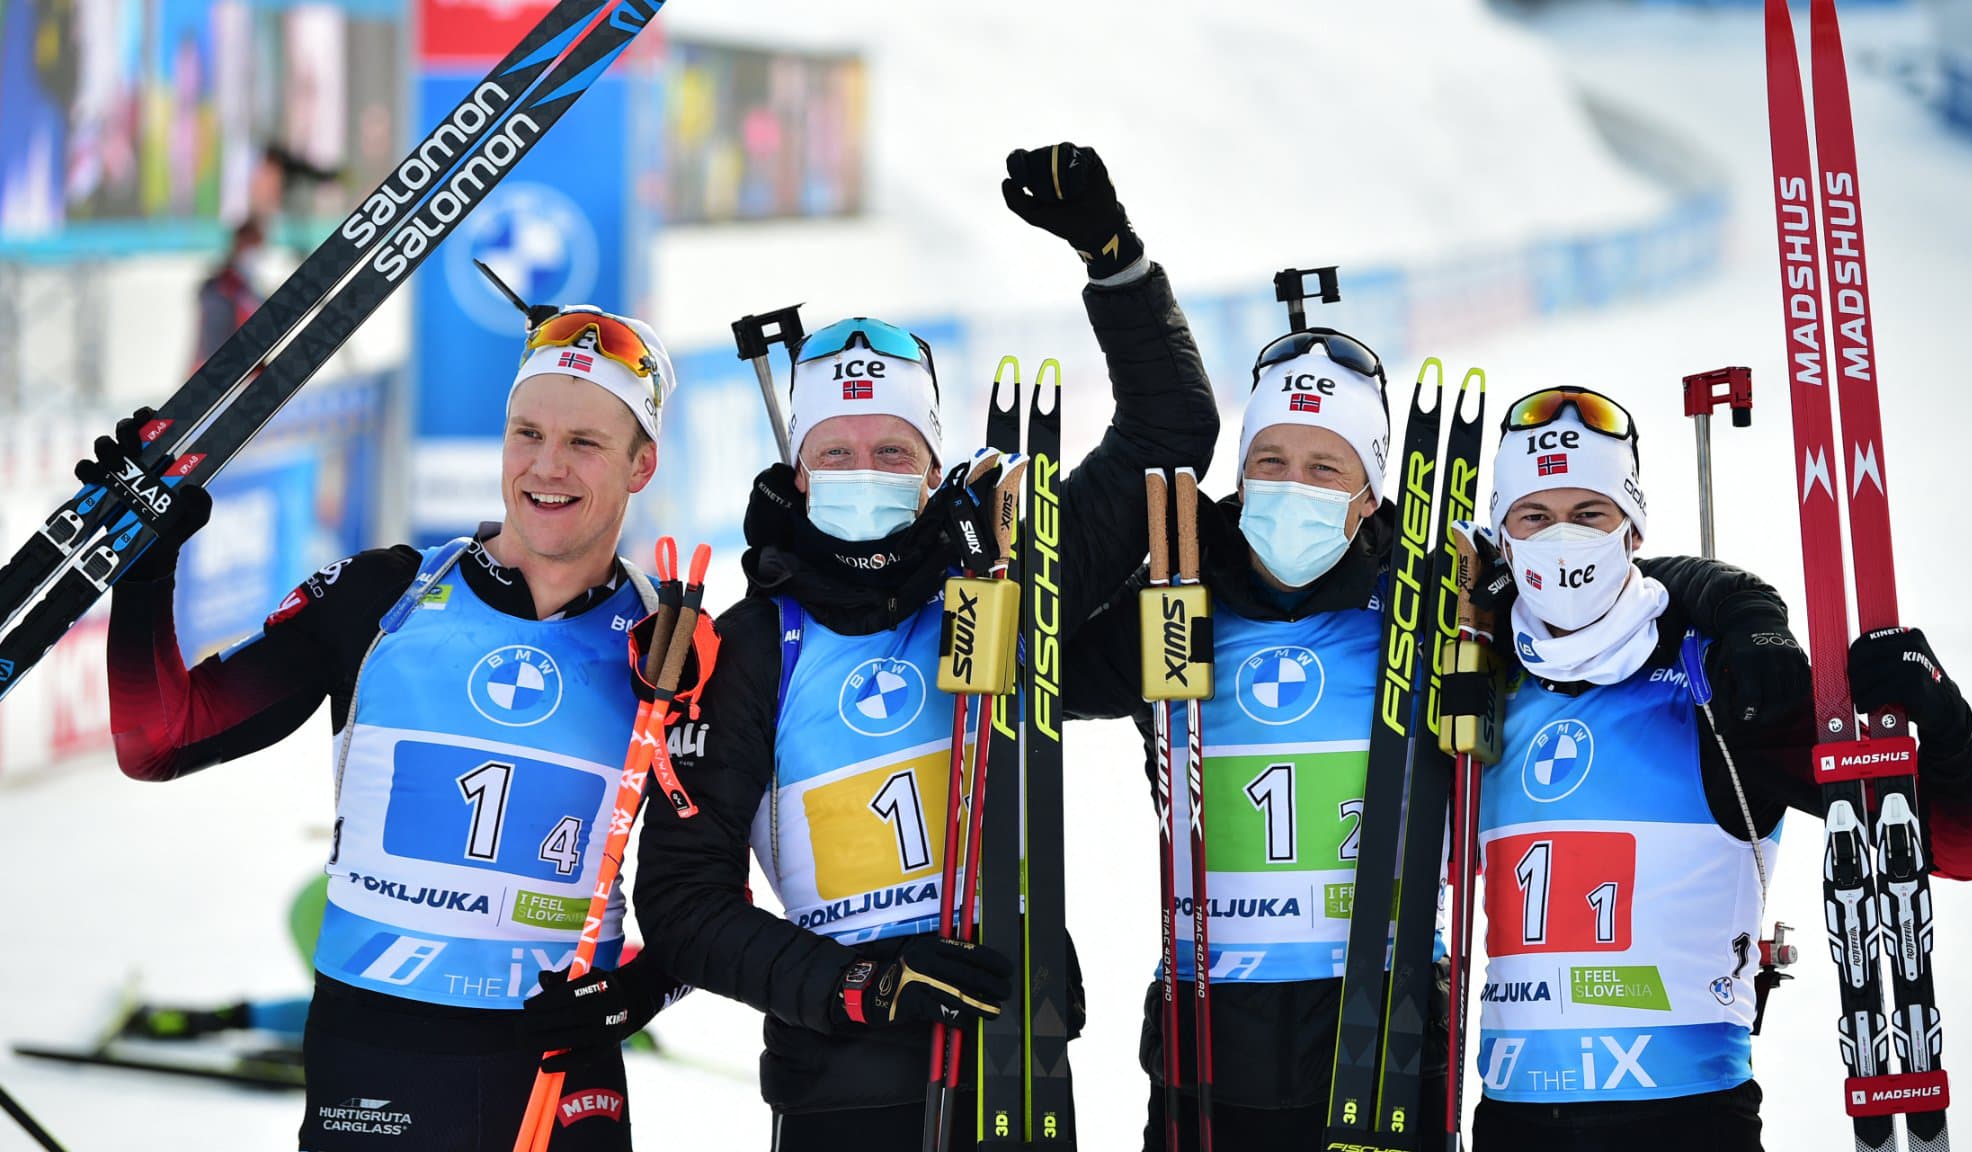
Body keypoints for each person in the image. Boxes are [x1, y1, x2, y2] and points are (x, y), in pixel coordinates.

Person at [631, 142, 1220, 1150]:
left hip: (1015, 1067)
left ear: (933, 463)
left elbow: (1167, 432)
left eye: (893, 451)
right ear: (799, 472)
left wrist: (1112, 261)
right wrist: (860, 987)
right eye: (838, 452)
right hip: (839, 1089)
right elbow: (683, 901)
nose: (867, 469)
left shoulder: (999, 586)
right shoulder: (749, 648)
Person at [1063, 350, 1795, 1147]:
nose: (1291, 488)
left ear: (1370, 490)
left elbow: (1604, 588)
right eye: (1269, 462)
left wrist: (1742, 603)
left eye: (1324, 465)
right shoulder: (1177, 605)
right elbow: (1041, 662)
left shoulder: (1431, 601)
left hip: (1390, 1040)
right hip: (1207, 1052)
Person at [95, 304, 701, 1151]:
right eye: (527, 433)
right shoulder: (385, 599)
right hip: (377, 1062)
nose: (546, 467)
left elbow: (713, 894)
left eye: (586, 443)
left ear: (643, 465)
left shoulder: (674, 646)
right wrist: (144, 558)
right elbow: (158, 740)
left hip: (563, 1079)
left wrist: (645, 991)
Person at [1466, 387, 1972, 1151]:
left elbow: (1954, 849)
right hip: (1511, 1121)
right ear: (1505, 539)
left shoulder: (1721, 681)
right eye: (1535, 516)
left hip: (1686, 1122)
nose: (1562, 541)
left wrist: (1943, 722)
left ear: (1633, 527)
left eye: (1590, 514)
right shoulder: (1475, 684)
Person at [194, 216, 267, 369]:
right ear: (241, 243)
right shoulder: (222, 285)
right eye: (254, 246)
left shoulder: (247, 285)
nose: (257, 253)